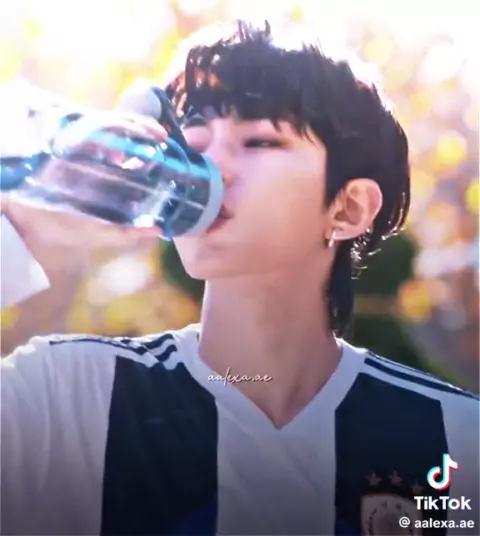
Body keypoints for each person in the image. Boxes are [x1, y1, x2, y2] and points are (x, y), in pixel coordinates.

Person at [1, 20, 478, 536]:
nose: (213, 166)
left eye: (259, 141)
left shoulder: (454, 441)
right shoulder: (64, 396)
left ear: (348, 208)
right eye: (194, 140)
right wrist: (23, 231)